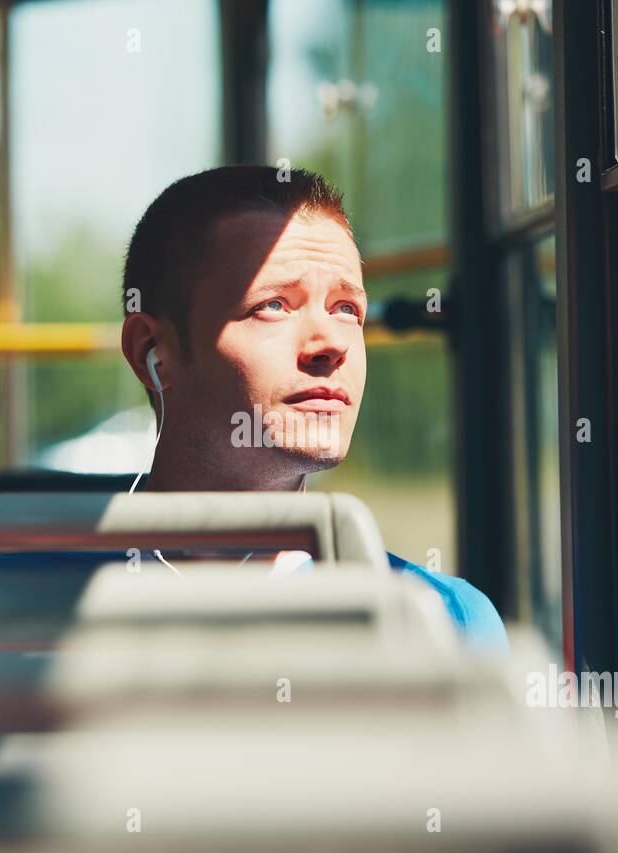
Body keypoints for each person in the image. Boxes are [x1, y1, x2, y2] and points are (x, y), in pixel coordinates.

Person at [118, 165, 506, 648]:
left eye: (346, 308)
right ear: (151, 353)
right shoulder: (20, 600)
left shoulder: (439, 621)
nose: (330, 344)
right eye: (274, 305)